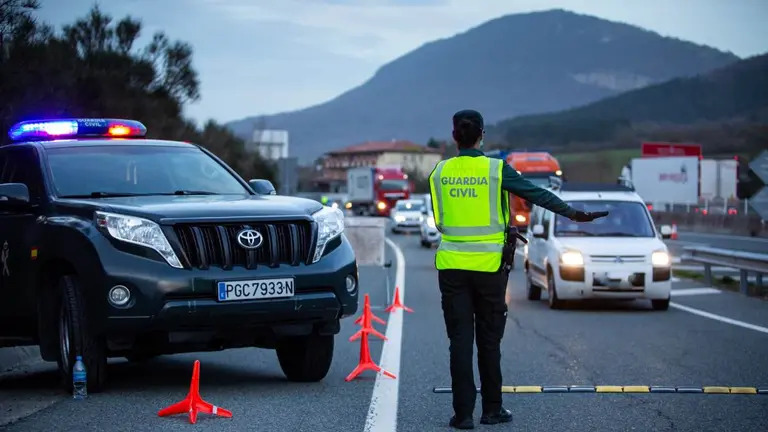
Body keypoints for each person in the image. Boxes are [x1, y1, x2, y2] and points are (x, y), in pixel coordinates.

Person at [428, 109, 609, 430]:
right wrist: (574, 214)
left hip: (452, 267)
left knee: (459, 341)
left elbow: (441, 221)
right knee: (489, 340)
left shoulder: (439, 172)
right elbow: (536, 194)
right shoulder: (496, 170)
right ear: (481, 135)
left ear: (454, 136)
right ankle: (492, 410)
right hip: (490, 268)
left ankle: (463, 415)